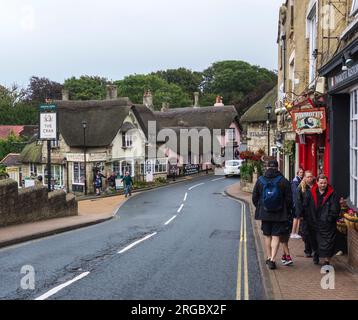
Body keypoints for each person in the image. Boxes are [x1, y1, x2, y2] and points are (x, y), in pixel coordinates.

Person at [252, 159, 293, 270]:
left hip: (265, 213)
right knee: (276, 236)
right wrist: (285, 209)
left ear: (267, 167)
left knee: (267, 235)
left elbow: (254, 197)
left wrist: (261, 207)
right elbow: (289, 199)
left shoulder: (260, 180)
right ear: (277, 167)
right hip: (279, 213)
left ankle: (269, 256)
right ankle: (273, 259)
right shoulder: (283, 180)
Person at [303, 174, 340, 265]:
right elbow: (305, 206)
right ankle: (316, 253)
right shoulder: (310, 193)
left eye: (325, 183)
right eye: (321, 183)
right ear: (317, 182)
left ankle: (327, 261)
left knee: (328, 243)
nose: (323, 185)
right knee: (314, 241)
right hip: (313, 222)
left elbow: (335, 208)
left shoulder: (332, 194)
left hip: (326, 223)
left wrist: (330, 218)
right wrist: (307, 218)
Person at [296, 170, 315, 258]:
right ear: (304, 177)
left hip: (315, 214)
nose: (309, 178)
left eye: (311, 176)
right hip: (305, 215)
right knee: (306, 234)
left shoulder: (316, 186)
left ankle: (315, 250)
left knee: (314, 233)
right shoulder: (301, 188)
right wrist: (300, 214)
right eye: (307, 177)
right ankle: (308, 250)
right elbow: (298, 202)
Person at [290, 168, 304, 239]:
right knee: (296, 218)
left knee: (298, 218)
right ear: (297, 173)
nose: (302, 173)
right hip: (296, 203)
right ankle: (293, 233)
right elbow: (296, 193)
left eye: (302, 172)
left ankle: (296, 233)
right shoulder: (295, 181)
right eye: (300, 172)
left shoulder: (299, 180)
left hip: (298, 202)